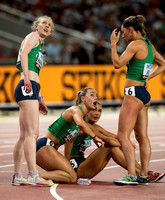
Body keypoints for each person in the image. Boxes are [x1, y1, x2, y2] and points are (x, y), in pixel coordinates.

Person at [110, 15, 165, 185]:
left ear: (132, 30)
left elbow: (118, 63)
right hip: (144, 95)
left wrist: (112, 44)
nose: (123, 36)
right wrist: (148, 78)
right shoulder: (149, 46)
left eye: (124, 32)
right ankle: (143, 174)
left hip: (133, 93)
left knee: (122, 135)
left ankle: (131, 174)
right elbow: (163, 64)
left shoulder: (134, 44)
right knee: (142, 137)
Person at [65, 102, 164, 182]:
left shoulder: (96, 127)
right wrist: (127, 144)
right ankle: (143, 173)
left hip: (83, 165)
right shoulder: (83, 125)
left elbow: (115, 136)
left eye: (100, 111)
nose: (97, 113)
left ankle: (143, 172)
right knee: (110, 146)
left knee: (116, 145)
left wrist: (125, 142)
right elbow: (108, 140)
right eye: (94, 110)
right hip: (76, 169)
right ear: (87, 111)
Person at [12, 16, 55, 187]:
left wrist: (39, 97)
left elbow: (28, 63)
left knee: (24, 136)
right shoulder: (33, 36)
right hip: (27, 85)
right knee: (32, 134)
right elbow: (23, 54)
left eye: (50, 25)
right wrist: (28, 79)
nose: (47, 26)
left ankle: (17, 175)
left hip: (30, 89)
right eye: (44, 23)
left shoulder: (39, 44)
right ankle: (33, 175)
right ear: (36, 26)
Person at [36, 87, 104, 183]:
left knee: (71, 177)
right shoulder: (75, 110)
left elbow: (70, 143)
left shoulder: (82, 117)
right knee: (71, 177)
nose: (96, 98)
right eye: (92, 95)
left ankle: (38, 176)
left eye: (96, 95)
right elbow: (80, 124)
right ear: (83, 99)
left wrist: (67, 163)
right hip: (44, 145)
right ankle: (35, 175)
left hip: (49, 148)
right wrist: (95, 137)